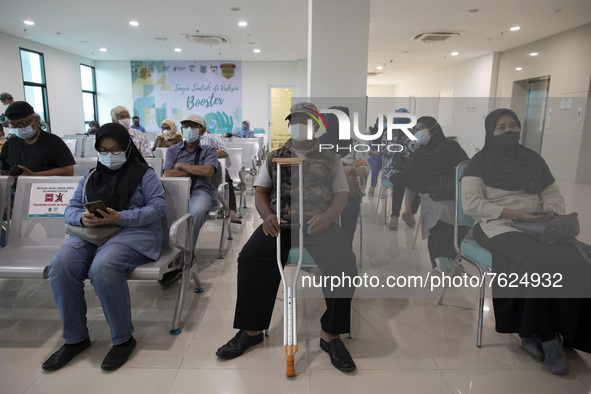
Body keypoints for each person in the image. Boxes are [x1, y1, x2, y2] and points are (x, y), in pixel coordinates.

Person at [216, 102, 358, 372]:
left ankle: (331, 334)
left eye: (306, 121)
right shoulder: (275, 155)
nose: (300, 125)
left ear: (316, 126)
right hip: (279, 223)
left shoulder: (331, 157)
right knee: (249, 259)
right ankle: (252, 330)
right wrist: (267, 215)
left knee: (345, 264)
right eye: (295, 120)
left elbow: (341, 193)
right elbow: (260, 191)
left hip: (319, 224)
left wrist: (328, 217)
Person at [462, 108, 591, 375]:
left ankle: (570, 330)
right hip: (498, 224)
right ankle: (542, 334)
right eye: (501, 128)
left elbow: (552, 192)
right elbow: (472, 204)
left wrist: (550, 211)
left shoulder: (533, 159)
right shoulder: (479, 162)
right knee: (536, 260)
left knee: (582, 257)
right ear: (490, 132)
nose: (508, 131)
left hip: (539, 224)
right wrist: (514, 213)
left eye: (513, 126)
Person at [43, 123, 166, 371]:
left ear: (127, 148)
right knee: (61, 265)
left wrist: (120, 218)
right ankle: (75, 338)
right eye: (104, 149)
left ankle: (123, 339)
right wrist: (81, 218)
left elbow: (157, 208)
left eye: (116, 149)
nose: (110, 155)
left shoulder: (144, 174)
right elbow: (71, 208)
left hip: (134, 233)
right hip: (93, 233)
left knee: (104, 267)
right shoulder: (90, 176)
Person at [402, 116, 469, 272]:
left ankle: (452, 255)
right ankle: (440, 259)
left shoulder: (452, 148)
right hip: (430, 195)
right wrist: (408, 207)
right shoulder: (418, 156)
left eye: (422, 127)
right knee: (441, 211)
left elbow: (468, 169)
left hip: (453, 193)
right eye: (416, 129)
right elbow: (410, 184)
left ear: (434, 129)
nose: (418, 132)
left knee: (465, 212)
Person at [163, 113, 218, 250]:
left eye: (194, 126)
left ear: (202, 131)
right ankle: (167, 252)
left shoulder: (209, 150)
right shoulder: (172, 150)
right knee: (159, 213)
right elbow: (168, 173)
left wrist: (180, 166)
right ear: (181, 130)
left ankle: (186, 254)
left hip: (200, 191)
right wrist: (196, 170)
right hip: (175, 192)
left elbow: (207, 172)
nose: (189, 129)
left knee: (196, 213)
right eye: (186, 126)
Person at [318, 106, 369, 245]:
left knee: (347, 206)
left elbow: (364, 171)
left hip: (348, 192)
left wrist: (350, 168)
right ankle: (319, 254)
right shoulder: (317, 144)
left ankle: (344, 251)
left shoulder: (355, 145)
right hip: (321, 191)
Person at [0, 101, 75, 177]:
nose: (18, 128)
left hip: (46, 187)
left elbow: (68, 171)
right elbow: (4, 170)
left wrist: (34, 175)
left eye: (22, 124)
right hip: (16, 188)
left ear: (36, 120)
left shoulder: (53, 142)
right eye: (13, 125)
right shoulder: (9, 145)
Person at [380, 108, 420, 230]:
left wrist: (406, 138)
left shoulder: (412, 136)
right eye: (399, 119)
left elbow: (412, 153)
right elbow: (383, 152)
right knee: (400, 180)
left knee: (420, 181)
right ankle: (395, 215)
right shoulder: (388, 134)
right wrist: (395, 139)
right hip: (391, 169)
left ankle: (411, 212)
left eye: (405, 120)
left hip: (408, 168)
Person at [197, 121, 242, 224]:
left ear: (202, 128)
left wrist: (205, 154)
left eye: (193, 126)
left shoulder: (212, 137)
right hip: (195, 169)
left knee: (226, 178)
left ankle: (231, 211)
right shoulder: (188, 141)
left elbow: (224, 152)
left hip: (213, 168)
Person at [366, 117, 384, 197]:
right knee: (376, 164)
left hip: (383, 156)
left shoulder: (387, 133)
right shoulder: (371, 132)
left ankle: (384, 187)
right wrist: (374, 152)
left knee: (385, 164)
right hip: (372, 156)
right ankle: (372, 187)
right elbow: (366, 147)